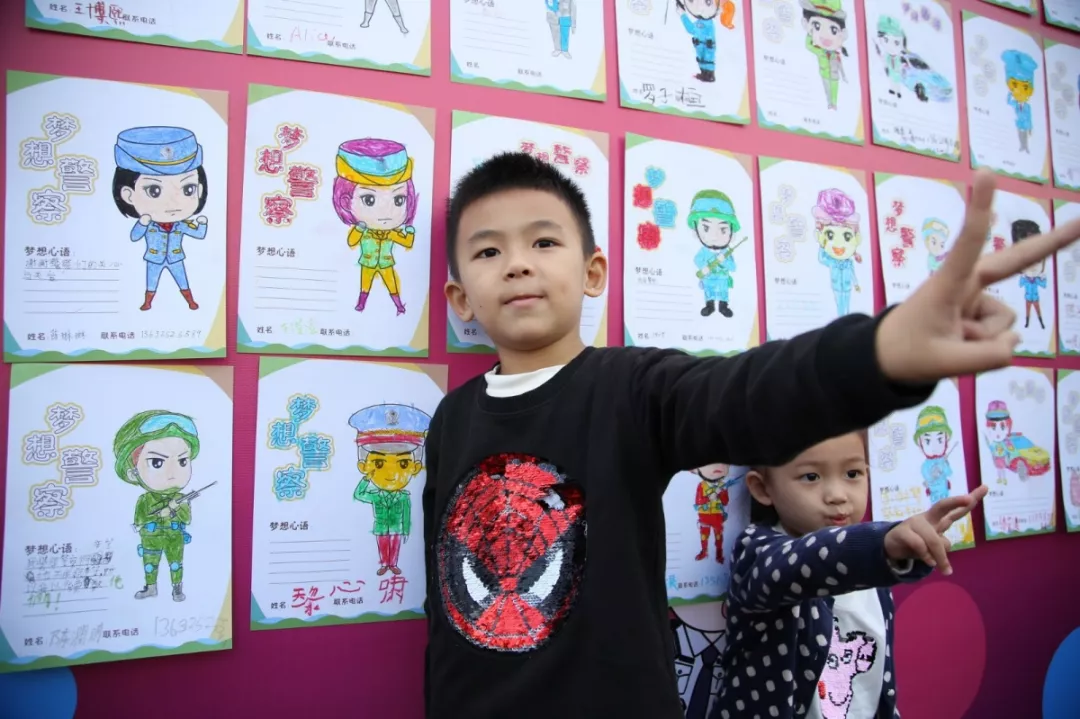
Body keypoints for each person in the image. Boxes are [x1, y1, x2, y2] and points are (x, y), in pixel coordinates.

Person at [423, 150, 1078, 718]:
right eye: (488, 250)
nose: (517, 264)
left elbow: (741, 395)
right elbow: (445, 598)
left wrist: (880, 352)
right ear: (461, 299)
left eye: (543, 242)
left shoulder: (628, 388)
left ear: (593, 271)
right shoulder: (450, 420)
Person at [713, 431, 987, 719]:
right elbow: (804, 563)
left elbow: (878, 680)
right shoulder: (757, 552)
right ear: (762, 488)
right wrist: (882, 544)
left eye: (853, 473)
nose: (838, 495)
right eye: (811, 477)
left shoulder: (874, 564)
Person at [113, 126, 209, 312]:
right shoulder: (149, 225)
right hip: (154, 258)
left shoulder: (181, 224)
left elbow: (198, 234)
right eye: (154, 191)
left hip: (175, 258)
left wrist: (203, 225)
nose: (173, 202)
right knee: (151, 282)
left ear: (199, 190)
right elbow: (134, 236)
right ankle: (148, 302)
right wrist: (142, 223)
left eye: (188, 189)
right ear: (128, 195)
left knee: (182, 280)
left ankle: (190, 301)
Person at [114, 410, 202, 603]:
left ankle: (177, 589)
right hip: (150, 538)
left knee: (176, 563)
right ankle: (151, 587)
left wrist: (174, 507)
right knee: (150, 563)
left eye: (182, 461)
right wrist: (159, 514)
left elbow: (187, 518)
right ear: (132, 472)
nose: (172, 473)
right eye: (157, 462)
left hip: (174, 536)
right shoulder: (144, 499)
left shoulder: (181, 498)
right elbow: (140, 519)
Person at [332, 139, 418, 315]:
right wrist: (359, 229)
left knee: (392, 284)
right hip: (368, 262)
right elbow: (351, 241)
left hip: (386, 263)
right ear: (346, 202)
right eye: (369, 200)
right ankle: (361, 303)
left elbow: (407, 243)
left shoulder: (392, 232)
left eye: (399, 199)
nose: (385, 210)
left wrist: (409, 232)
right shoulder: (365, 230)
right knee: (365, 284)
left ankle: (399, 305)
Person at [350, 403, 430, 576]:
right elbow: (359, 494)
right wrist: (366, 479)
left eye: (403, 463)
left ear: (415, 467)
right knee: (383, 544)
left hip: (397, 527)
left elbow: (407, 513)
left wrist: (407, 529)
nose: (391, 473)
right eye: (379, 463)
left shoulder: (403, 496)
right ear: (363, 466)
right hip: (381, 526)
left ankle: (392, 564)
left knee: (395, 545)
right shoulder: (375, 495)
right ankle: (384, 564)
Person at [690, 190, 742, 317]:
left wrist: (724, 260)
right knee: (709, 292)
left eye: (723, 229)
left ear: (731, 232)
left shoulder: (726, 252)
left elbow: (733, 267)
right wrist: (706, 266)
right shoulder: (703, 251)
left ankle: (723, 306)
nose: (714, 236)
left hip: (722, 279)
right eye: (706, 228)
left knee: (723, 293)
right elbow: (697, 260)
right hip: (709, 278)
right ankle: (710, 306)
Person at [801, 0, 849, 110]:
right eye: (817, 26)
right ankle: (829, 103)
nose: (825, 35)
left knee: (834, 89)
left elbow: (840, 66)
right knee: (827, 89)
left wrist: (844, 76)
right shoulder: (820, 51)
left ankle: (834, 103)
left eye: (833, 30)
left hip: (835, 76)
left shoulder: (835, 54)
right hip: (824, 74)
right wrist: (810, 35)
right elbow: (809, 45)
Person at [1002, 49, 1038, 154]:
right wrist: (1010, 94)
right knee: (1020, 134)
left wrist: (1030, 127)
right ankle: (1022, 146)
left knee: (1024, 134)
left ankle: (1025, 146)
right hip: (1019, 123)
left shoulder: (1027, 106)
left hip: (1025, 124)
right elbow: (1009, 102)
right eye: (1015, 85)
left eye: (1025, 87)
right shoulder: (1016, 104)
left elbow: (1029, 117)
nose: (1019, 91)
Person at [875, 15, 906, 98]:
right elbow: (885, 61)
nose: (890, 47)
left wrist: (899, 69)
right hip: (891, 71)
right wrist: (886, 66)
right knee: (891, 81)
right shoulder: (887, 55)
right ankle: (893, 90)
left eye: (896, 43)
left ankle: (898, 91)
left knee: (896, 82)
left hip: (897, 73)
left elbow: (902, 64)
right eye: (886, 40)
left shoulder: (898, 57)